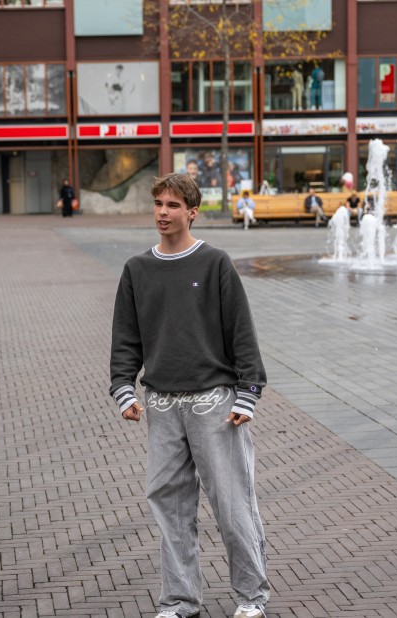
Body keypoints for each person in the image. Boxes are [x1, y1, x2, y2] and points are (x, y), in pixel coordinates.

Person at [110, 173, 269, 618]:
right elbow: (125, 338)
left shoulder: (215, 263)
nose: (163, 212)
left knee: (232, 501)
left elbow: (242, 333)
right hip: (160, 403)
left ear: (192, 211)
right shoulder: (137, 270)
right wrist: (123, 387)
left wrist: (248, 392)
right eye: (158, 203)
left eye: (173, 205)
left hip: (214, 403)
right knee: (169, 503)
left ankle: (251, 596)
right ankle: (180, 600)